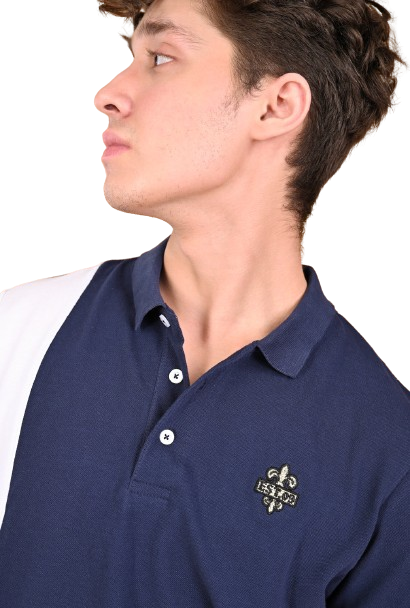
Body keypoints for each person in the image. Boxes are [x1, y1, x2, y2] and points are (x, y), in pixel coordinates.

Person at [0, 0, 409, 605]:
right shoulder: (16, 329)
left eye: (161, 58)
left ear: (276, 106)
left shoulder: (388, 443)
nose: (107, 94)